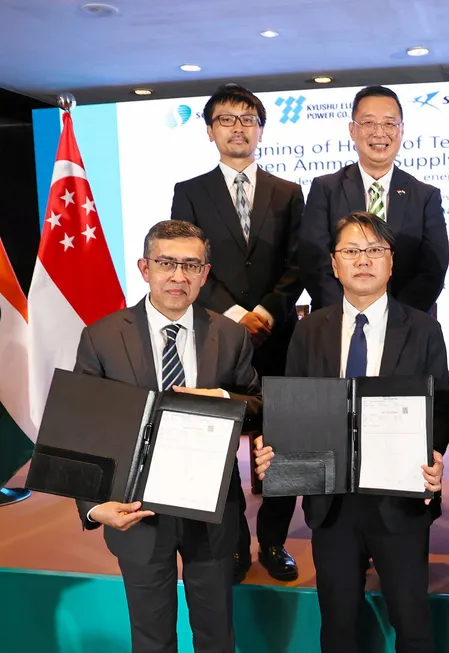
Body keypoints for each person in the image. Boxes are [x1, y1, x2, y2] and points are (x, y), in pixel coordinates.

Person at [255, 211, 449, 653]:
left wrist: (435, 454)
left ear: (391, 262)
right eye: (352, 251)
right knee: (338, 627)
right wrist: (275, 450)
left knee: (413, 624)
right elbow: (292, 409)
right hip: (332, 504)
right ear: (334, 263)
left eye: (374, 250)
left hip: (400, 502)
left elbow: (439, 410)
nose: (363, 260)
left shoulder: (423, 329)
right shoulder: (308, 332)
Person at [74, 220, 261, 653]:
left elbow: (255, 404)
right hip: (134, 508)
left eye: (191, 265)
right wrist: (93, 505)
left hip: (211, 507)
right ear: (145, 268)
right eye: (166, 263)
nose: (179, 276)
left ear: (205, 273)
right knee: (152, 637)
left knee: (216, 636)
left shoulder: (230, 335)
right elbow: (84, 427)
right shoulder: (101, 337)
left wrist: (219, 397)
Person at [170, 83, 303, 583]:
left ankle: (272, 541)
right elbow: (189, 260)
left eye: (248, 119)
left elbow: (300, 263)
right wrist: (232, 311)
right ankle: (230, 545)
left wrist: (266, 312)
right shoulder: (190, 191)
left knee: (280, 444)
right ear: (210, 131)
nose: (238, 127)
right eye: (227, 119)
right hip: (214, 337)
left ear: (261, 129)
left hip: (279, 337)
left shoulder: (289, 192)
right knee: (220, 440)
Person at [298, 85, 449, 313]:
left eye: (389, 123)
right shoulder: (325, 189)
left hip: (406, 325)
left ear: (401, 130)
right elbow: (315, 263)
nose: (379, 133)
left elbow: (433, 269)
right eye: (368, 123)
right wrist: (351, 314)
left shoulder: (425, 196)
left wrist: (391, 319)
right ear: (352, 130)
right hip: (337, 320)